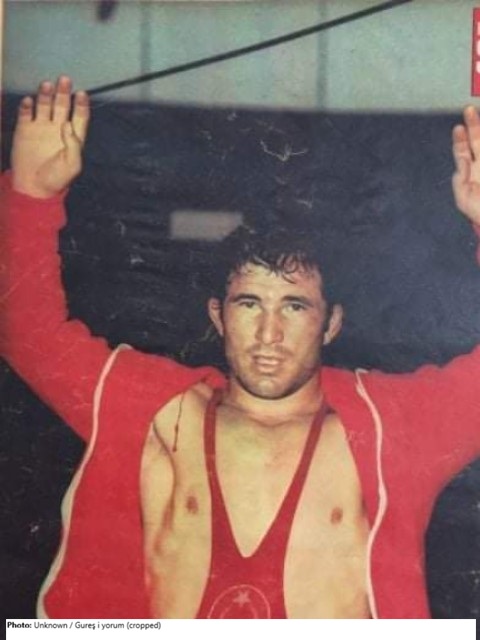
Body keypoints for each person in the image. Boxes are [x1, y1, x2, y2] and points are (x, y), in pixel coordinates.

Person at [1, 76, 480, 620]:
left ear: (331, 324)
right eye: (250, 304)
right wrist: (32, 194)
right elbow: (28, 332)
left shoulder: (395, 425)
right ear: (218, 316)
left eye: (294, 307)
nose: (269, 333)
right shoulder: (146, 408)